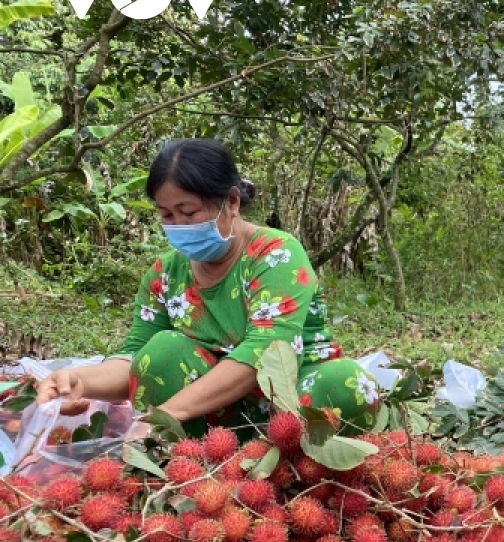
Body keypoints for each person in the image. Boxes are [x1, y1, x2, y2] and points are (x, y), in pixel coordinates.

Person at [35, 139, 380, 436]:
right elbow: (134, 357)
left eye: (188, 211)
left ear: (231, 202)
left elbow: (263, 352)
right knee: (161, 351)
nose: (179, 225)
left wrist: (168, 413)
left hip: (291, 398)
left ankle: (296, 463)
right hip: (213, 412)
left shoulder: (276, 254)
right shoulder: (166, 272)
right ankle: (197, 462)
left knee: (344, 383)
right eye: (167, 215)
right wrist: (81, 381)